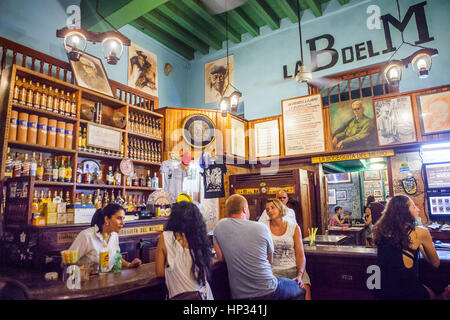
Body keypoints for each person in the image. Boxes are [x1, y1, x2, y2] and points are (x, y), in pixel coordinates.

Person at [213, 194, 305, 300]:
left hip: (239, 294)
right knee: (300, 290)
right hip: (268, 289)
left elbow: (221, 260)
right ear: (244, 209)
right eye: (268, 209)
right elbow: (269, 261)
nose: (270, 211)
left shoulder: (218, 227)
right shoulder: (261, 228)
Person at [373, 195, 449, 300]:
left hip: (383, 292)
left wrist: (419, 245)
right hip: (407, 293)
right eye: (413, 207)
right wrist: (421, 245)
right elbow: (435, 263)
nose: (418, 209)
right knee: (440, 292)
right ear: (404, 212)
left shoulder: (381, 231)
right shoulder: (421, 232)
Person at [155, 201, 214, 300]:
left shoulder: (165, 237)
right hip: (204, 296)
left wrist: (174, 269)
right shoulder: (199, 238)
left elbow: (159, 272)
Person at [69, 204, 142, 272]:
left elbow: (116, 257)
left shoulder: (114, 235)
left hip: (107, 279)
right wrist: (83, 270)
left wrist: (129, 265)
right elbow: (67, 262)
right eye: (119, 218)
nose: (123, 222)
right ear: (107, 219)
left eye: (123, 219)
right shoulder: (86, 236)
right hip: (87, 282)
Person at [263, 198, 312, 300]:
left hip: (294, 269)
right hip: (274, 271)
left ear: (280, 208)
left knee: (305, 290)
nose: (270, 211)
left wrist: (300, 274)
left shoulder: (294, 227)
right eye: (267, 210)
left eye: (272, 207)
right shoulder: (264, 228)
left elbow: (300, 254)